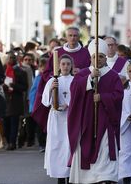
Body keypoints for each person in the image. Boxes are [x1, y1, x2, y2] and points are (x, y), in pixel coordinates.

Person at [67, 39, 123, 184]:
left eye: (101, 56)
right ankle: (88, 179)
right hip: (86, 119)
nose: (97, 59)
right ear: (90, 58)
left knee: (104, 148)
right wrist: (90, 78)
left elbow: (118, 96)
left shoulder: (113, 76)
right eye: (94, 56)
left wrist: (103, 97)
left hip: (105, 120)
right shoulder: (83, 74)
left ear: (105, 58)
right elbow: (74, 90)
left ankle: (105, 178)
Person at [32, 27, 91, 132]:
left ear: (79, 37)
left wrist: (81, 72)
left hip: (76, 97)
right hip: (58, 95)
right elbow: (46, 72)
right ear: (66, 37)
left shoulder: (85, 53)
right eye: (70, 35)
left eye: (75, 36)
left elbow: (91, 72)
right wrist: (60, 75)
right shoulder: (57, 52)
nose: (72, 38)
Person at [42, 55, 74, 183]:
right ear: (58, 66)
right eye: (63, 64)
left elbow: (79, 99)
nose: (65, 66)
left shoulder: (75, 80)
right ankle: (60, 177)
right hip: (56, 119)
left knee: (68, 147)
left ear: (71, 66)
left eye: (68, 64)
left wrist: (68, 104)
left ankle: (69, 175)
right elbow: (45, 101)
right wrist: (50, 89)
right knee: (57, 146)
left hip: (69, 117)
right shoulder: (52, 81)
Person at [3, 51, 28, 151]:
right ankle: (8, 141)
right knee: (6, 123)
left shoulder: (21, 72)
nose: (11, 60)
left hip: (15, 100)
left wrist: (15, 86)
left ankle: (12, 142)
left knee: (14, 123)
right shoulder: (3, 71)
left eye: (13, 58)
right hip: (5, 100)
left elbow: (24, 86)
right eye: (9, 58)